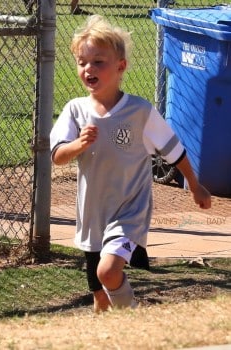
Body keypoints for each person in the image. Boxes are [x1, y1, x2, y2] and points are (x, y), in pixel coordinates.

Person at [50, 15, 211, 313]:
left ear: (120, 66)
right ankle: (114, 325)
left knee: (108, 272)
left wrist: (195, 185)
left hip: (130, 210)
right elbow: (58, 156)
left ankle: (134, 318)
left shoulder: (139, 111)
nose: (89, 69)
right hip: (93, 212)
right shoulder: (75, 110)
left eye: (98, 61)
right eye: (82, 62)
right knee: (100, 290)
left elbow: (173, 150)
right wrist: (78, 144)